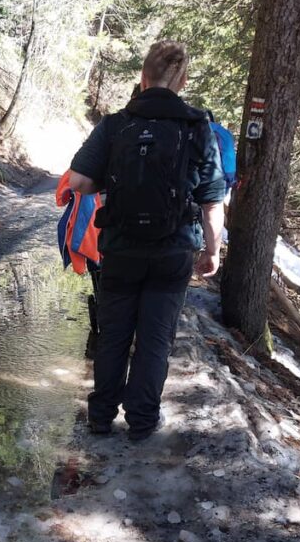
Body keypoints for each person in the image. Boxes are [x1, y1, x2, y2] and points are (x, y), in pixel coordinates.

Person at [68, 40, 226, 441]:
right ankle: (142, 421)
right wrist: (212, 250)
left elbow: (80, 182)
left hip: (120, 246)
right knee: (155, 337)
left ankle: (101, 416)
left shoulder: (116, 124)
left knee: (114, 333)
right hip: (172, 251)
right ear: (183, 79)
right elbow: (212, 201)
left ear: (143, 76)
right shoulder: (197, 127)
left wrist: (116, 177)